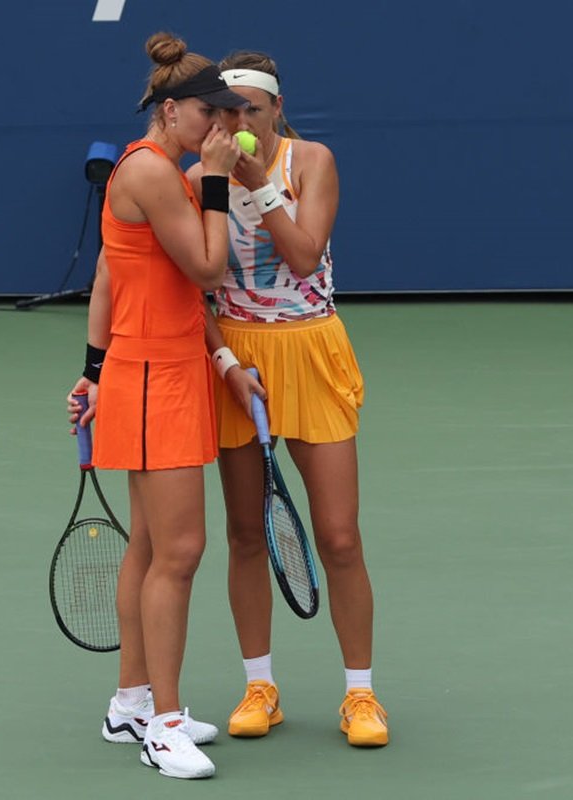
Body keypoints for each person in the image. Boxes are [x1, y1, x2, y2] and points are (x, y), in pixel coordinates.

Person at [185, 50, 390, 747]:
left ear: (276, 109)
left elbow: (304, 256)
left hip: (312, 349)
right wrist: (222, 360)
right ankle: (259, 687)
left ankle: (360, 697)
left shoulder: (311, 162)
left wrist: (259, 190)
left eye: (249, 106)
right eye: (224, 108)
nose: (236, 119)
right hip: (239, 363)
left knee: (338, 535)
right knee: (246, 534)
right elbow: (196, 288)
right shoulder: (197, 179)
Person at [64, 32, 247, 779]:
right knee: (180, 552)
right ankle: (163, 725)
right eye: (211, 115)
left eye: (228, 117)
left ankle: (131, 701)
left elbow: (114, 276)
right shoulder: (153, 174)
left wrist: (93, 371)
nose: (222, 128)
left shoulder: (155, 169)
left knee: (146, 546)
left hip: (157, 371)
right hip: (156, 382)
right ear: (171, 111)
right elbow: (208, 264)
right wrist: (215, 179)